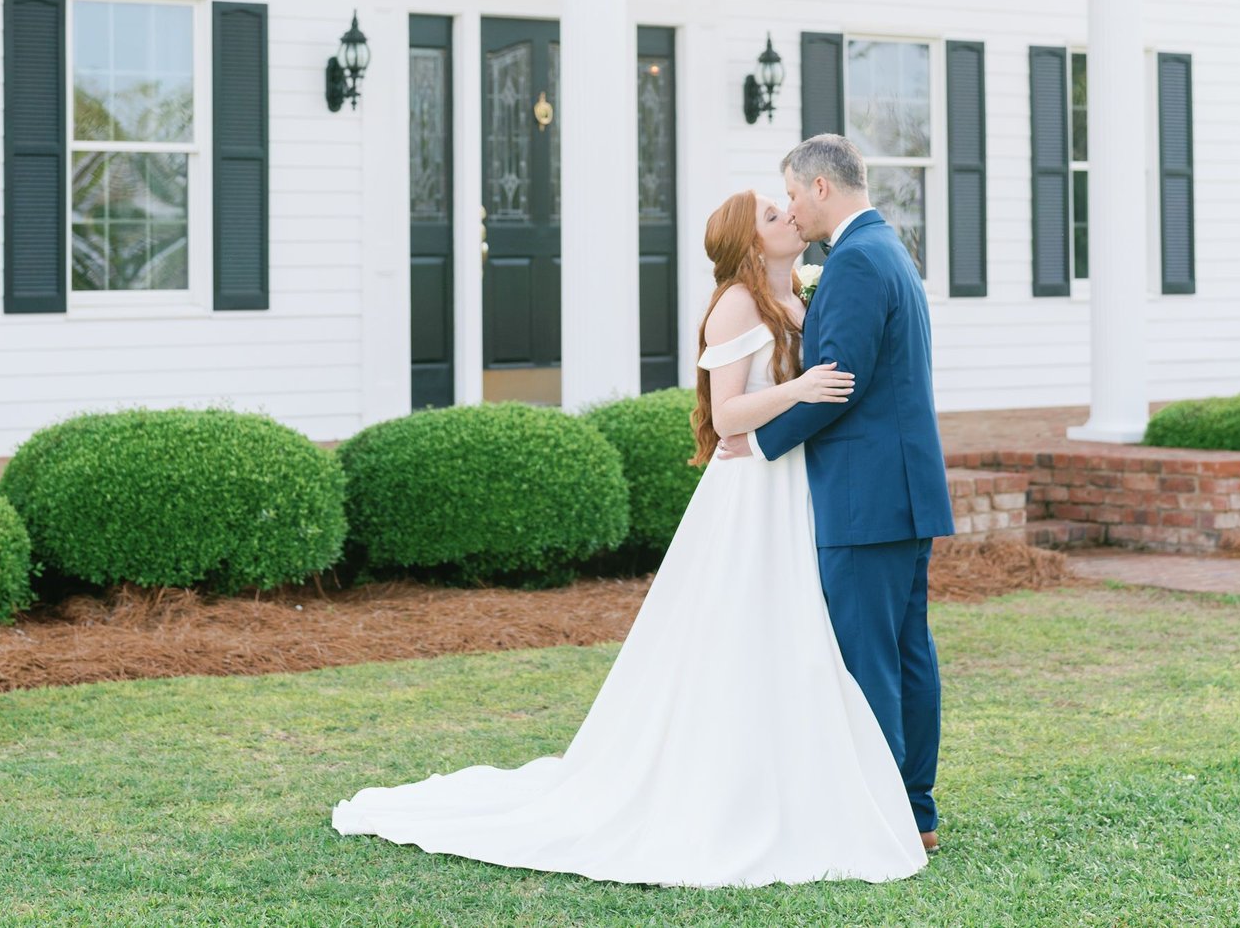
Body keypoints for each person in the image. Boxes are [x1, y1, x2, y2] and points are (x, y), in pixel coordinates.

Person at [329, 186, 927, 888]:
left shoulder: (800, 294)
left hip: (801, 486)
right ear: (749, 241)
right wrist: (797, 390)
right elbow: (729, 416)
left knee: (800, 635)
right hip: (753, 489)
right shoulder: (736, 304)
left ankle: (819, 782)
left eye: (785, 206)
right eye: (773, 214)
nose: (788, 216)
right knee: (749, 628)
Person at [751, 132, 954, 848]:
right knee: (906, 652)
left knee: (869, 658)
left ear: (822, 186)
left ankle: (883, 816)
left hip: (866, 495)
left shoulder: (857, 261)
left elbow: (838, 383)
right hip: (899, 489)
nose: (790, 210)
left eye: (793, 194)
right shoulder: (886, 248)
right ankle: (914, 812)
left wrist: (755, 443)